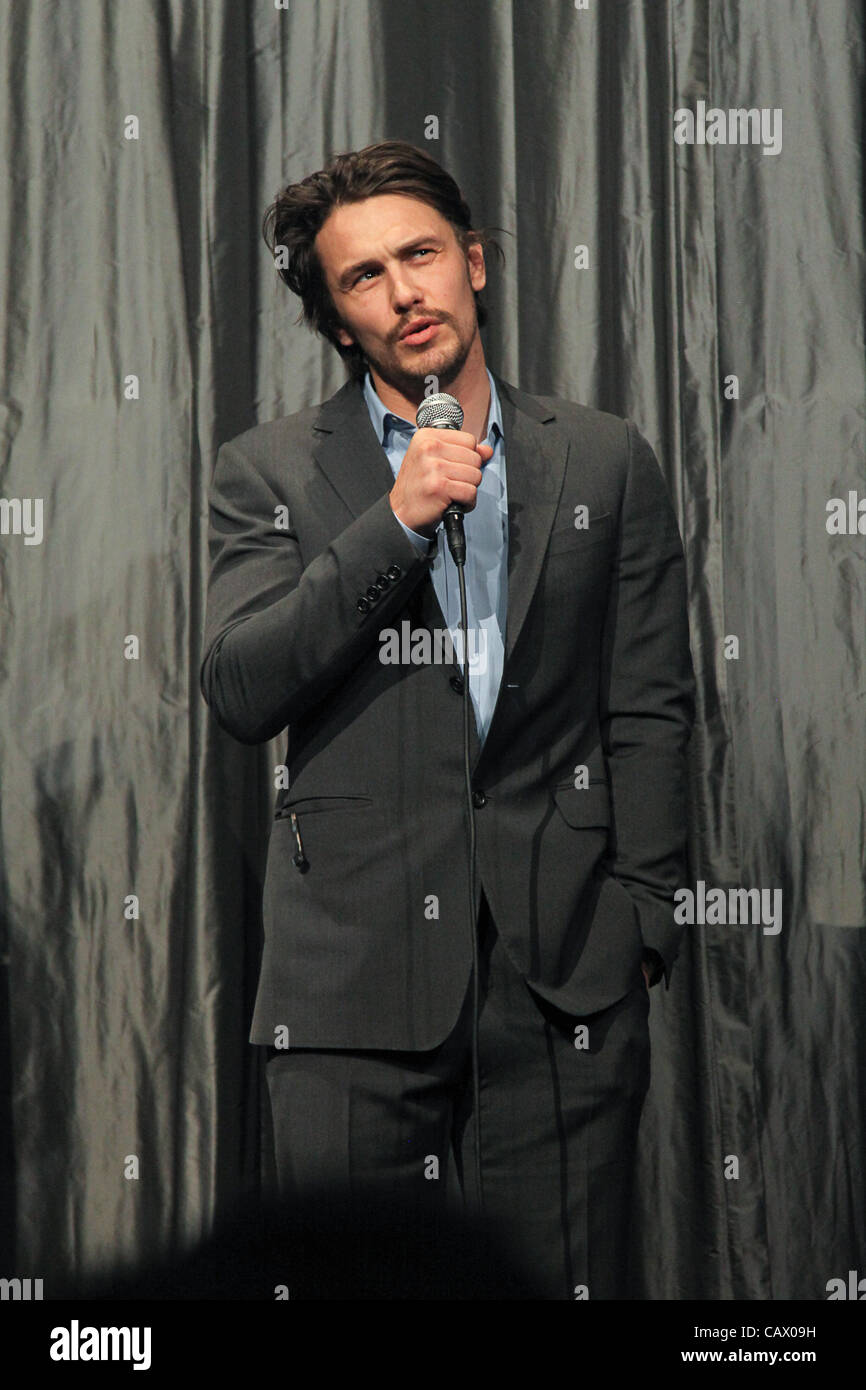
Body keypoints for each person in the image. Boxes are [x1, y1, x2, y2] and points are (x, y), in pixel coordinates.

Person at [199, 139, 696, 1299]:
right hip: (350, 990)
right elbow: (239, 684)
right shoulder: (267, 472)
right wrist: (397, 517)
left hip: (561, 978)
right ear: (335, 317)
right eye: (363, 276)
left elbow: (650, 706)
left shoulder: (603, 458)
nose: (403, 291)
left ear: (473, 262)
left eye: (419, 255)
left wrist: (643, 922)